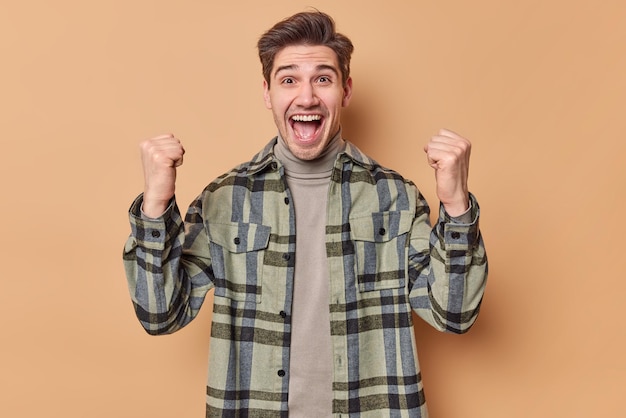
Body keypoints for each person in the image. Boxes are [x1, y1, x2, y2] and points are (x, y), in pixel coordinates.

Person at [123, 10, 487, 417]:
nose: (307, 96)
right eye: (289, 79)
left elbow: (453, 314)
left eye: (323, 78)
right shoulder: (224, 199)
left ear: (345, 90)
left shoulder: (395, 197)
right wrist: (155, 206)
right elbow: (160, 315)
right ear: (267, 93)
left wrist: (456, 206)